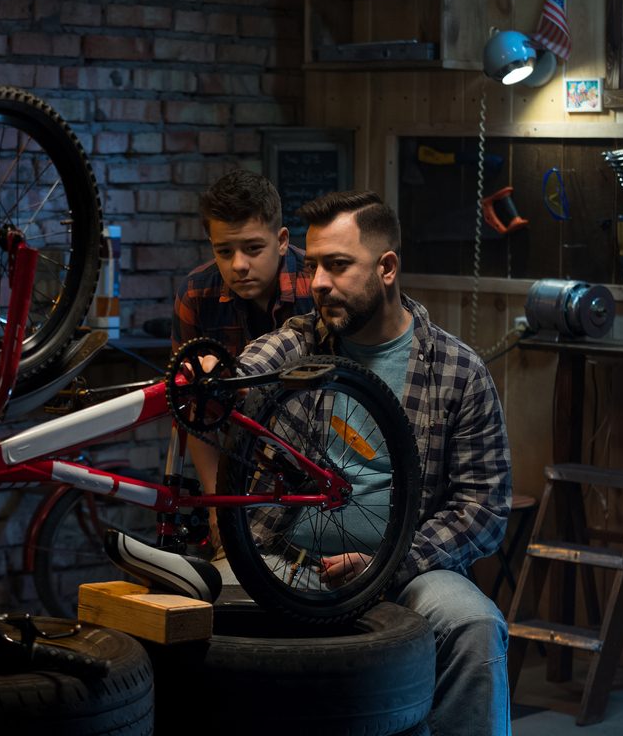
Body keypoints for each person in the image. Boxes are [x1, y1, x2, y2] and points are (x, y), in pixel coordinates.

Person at [233, 190, 513, 736]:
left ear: (386, 268)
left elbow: (484, 507)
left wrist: (389, 564)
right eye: (311, 265)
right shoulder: (303, 342)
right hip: (282, 558)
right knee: (183, 607)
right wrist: (219, 373)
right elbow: (254, 365)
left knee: (475, 625)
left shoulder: (458, 371)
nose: (316, 283)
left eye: (337, 266)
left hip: (407, 572)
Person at [171, 169, 312, 515]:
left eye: (253, 248)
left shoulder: (318, 283)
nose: (239, 265)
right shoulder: (196, 293)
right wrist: (217, 502)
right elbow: (191, 408)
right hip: (241, 457)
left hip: (319, 456)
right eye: (224, 251)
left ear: (281, 240)